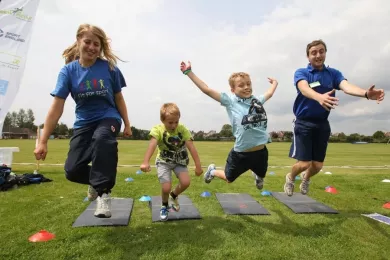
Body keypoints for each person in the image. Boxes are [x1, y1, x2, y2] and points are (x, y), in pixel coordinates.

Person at [33, 24, 132, 218]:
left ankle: (103, 194)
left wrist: (127, 123)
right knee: (72, 170)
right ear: (78, 41)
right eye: (88, 42)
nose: (92, 47)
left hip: (108, 117)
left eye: (97, 44)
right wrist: (43, 141)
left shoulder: (109, 68)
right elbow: (56, 108)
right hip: (84, 123)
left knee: (102, 138)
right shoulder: (68, 72)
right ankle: (95, 183)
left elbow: (119, 98)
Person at [284, 39, 385, 196]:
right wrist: (319, 97)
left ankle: (306, 179)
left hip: (322, 124)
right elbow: (304, 89)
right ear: (308, 56)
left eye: (321, 51)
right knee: (304, 163)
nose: (318, 55)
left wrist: (365, 93)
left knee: (317, 166)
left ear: (325, 53)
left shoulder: (333, 74)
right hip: (303, 123)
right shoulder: (302, 73)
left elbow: (346, 86)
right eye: (314, 52)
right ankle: (290, 177)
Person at [180, 61, 278, 189]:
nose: (246, 87)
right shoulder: (230, 101)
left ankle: (257, 174)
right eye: (241, 85)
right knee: (228, 178)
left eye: (248, 84)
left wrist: (275, 83)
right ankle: (212, 171)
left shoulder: (257, 101)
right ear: (233, 89)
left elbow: (269, 93)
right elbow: (207, 90)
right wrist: (189, 72)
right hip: (241, 153)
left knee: (261, 173)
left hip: (261, 152)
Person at [140, 103, 203, 221]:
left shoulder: (183, 129)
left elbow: (191, 147)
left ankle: (173, 195)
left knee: (185, 183)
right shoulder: (157, 129)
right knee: (165, 188)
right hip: (164, 161)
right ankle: (164, 205)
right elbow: (152, 145)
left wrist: (198, 166)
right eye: (170, 122)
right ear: (162, 120)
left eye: (176, 122)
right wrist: (145, 161)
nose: (174, 125)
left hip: (180, 161)